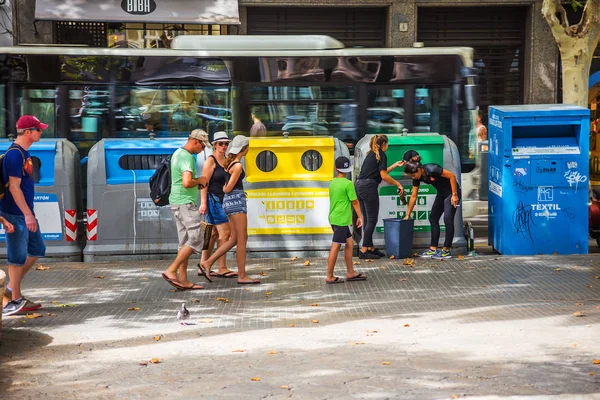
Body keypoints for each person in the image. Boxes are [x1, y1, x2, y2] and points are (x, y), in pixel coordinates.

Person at [1, 115, 47, 316]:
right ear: (28, 132)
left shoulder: (23, 153)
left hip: (25, 212)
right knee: (17, 256)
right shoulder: (14, 155)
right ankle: (14, 301)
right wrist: (27, 214)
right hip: (16, 213)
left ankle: (11, 289)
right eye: (38, 130)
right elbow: (14, 188)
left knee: (37, 248)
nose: (41, 132)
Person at [200, 135, 260, 284]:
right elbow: (227, 188)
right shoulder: (238, 165)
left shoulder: (229, 163)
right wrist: (225, 188)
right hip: (236, 202)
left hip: (228, 203)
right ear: (244, 149)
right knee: (242, 239)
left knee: (234, 238)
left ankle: (207, 263)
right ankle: (242, 275)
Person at [161, 129, 211, 290]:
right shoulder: (188, 157)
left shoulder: (177, 153)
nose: (202, 150)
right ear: (196, 142)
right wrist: (201, 180)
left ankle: (183, 280)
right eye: (203, 146)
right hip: (185, 203)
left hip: (176, 201)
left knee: (184, 242)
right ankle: (171, 270)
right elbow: (187, 182)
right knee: (196, 238)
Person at [354, 134, 405, 259]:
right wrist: (398, 184)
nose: (387, 146)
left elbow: (382, 172)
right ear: (383, 144)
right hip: (369, 188)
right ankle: (364, 250)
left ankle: (370, 247)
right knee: (372, 220)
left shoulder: (371, 154)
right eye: (387, 144)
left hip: (359, 186)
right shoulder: (381, 154)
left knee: (367, 219)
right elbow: (383, 176)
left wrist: (394, 165)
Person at [198, 131, 238, 279]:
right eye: (221, 144)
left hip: (224, 199)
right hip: (213, 199)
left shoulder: (227, 160)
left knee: (213, 233)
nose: (224, 146)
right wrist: (203, 203)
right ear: (215, 145)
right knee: (225, 233)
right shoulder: (211, 160)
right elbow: (203, 183)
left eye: (226, 144)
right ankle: (221, 267)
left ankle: (203, 264)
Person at [403, 160, 460, 260]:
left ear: (419, 169)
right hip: (441, 193)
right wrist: (408, 214)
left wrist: (454, 195)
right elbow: (413, 196)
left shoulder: (432, 169)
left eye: (413, 175)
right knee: (433, 218)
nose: (413, 177)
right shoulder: (417, 177)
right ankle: (433, 249)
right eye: (411, 176)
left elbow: (452, 176)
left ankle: (446, 250)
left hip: (451, 192)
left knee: (448, 219)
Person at [326, 156, 366, 284]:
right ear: (348, 169)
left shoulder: (332, 182)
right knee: (336, 246)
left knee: (349, 243)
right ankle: (329, 276)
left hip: (334, 217)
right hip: (341, 219)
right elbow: (354, 202)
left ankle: (350, 272)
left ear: (335, 168)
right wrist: (360, 216)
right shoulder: (348, 184)